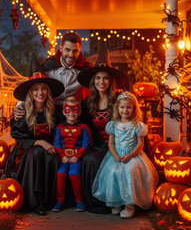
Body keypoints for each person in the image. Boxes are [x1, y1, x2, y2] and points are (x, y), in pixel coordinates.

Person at [4, 54, 65, 216]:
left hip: (49, 150)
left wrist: (52, 146)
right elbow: (20, 140)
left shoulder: (55, 111)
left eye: (43, 88)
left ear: (48, 90)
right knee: (37, 153)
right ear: (30, 92)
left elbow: (60, 133)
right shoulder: (23, 112)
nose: (40, 92)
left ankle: (49, 200)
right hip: (26, 153)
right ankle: (35, 201)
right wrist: (39, 142)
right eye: (36, 89)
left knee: (51, 157)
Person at [76, 42, 128, 214]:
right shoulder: (87, 103)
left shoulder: (119, 98)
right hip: (98, 145)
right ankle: (97, 202)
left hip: (119, 145)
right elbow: (74, 121)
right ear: (93, 81)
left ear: (110, 80)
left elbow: (131, 115)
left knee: (113, 160)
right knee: (91, 158)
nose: (101, 81)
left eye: (105, 78)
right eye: (98, 78)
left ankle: (117, 201)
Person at [92, 91, 158, 219]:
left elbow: (140, 145)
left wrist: (130, 155)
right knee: (112, 172)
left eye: (128, 107)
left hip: (133, 155)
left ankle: (129, 204)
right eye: (122, 107)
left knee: (130, 171)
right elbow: (110, 143)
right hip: (116, 155)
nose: (125, 110)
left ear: (133, 109)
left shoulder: (137, 126)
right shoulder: (113, 125)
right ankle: (116, 202)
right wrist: (115, 156)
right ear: (118, 108)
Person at [14, 32, 93, 118]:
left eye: (75, 51)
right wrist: (20, 104)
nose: (71, 55)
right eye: (67, 50)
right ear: (60, 48)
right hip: (51, 113)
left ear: (79, 51)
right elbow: (32, 84)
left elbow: (99, 85)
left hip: (75, 113)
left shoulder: (86, 69)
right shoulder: (47, 66)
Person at [52, 96, 92, 212]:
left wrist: (77, 156)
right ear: (64, 112)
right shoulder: (59, 128)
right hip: (64, 157)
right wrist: (62, 156)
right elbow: (57, 143)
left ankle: (79, 201)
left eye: (75, 110)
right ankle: (60, 201)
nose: (72, 113)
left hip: (76, 157)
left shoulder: (83, 127)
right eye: (68, 110)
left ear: (79, 112)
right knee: (60, 174)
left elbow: (86, 143)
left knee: (74, 174)